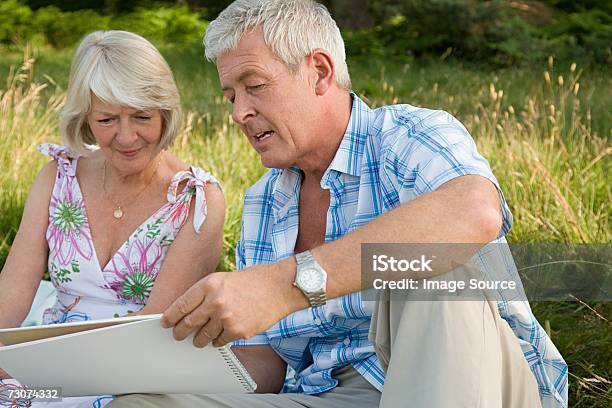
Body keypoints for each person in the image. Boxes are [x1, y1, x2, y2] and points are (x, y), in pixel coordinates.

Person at [108, 1, 568, 407]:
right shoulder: (263, 202)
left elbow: (475, 211)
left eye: (254, 86)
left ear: (320, 72)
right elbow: (268, 367)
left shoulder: (408, 136)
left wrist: (284, 285)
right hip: (328, 395)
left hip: (480, 383)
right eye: (231, 96)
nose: (238, 113)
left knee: (432, 261)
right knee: (139, 404)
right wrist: (160, 368)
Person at [0, 30, 225, 407]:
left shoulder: (196, 200)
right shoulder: (59, 176)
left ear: (164, 112)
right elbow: (14, 288)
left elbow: (152, 329)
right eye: (107, 119)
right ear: (85, 118)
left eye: (141, 116)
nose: (126, 137)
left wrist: (44, 362)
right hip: (42, 370)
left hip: (132, 377)